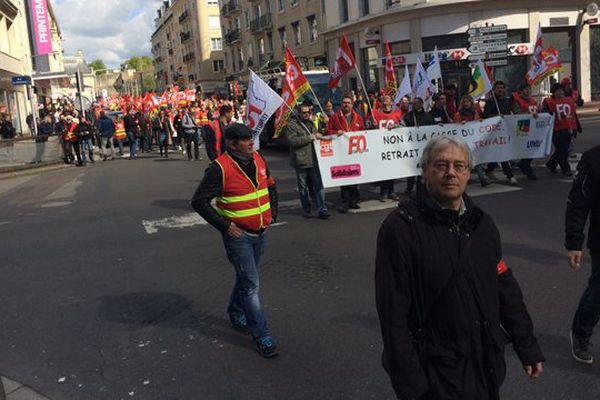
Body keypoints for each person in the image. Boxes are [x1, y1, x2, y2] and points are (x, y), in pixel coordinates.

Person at [375, 135, 545, 400]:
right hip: (436, 376)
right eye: (441, 165)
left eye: (459, 166)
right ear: (425, 171)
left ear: (468, 173)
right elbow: (393, 317)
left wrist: (527, 345)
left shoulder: (482, 225)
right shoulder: (400, 230)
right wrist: (412, 388)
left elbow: (505, 288)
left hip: (484, 366)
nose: (450, 173)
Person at [191, 123, 279, 358]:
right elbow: (198, 201)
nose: (251, 142)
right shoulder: (219, 168)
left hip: (260, 231)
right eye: (245, 139)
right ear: (232, 143)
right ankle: (261, 334)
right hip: (238, 236)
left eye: (251, 137)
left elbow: (270, 185)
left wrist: (274, 212)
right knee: (251, 285)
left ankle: (235, 310)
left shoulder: (258, 158)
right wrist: (225, 225)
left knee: (246, 279)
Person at [565, 144, 600, 364]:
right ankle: (580, 332)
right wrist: (574, 243)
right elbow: (578, 202)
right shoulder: (593, 159)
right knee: (598, 293)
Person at [285, 103, 330, 219]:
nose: (306, 114)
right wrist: (308, 138)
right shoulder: (292, 125)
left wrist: (323, 128)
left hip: (314, 159)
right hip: (301, 160)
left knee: (319, 185)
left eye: (308, 112)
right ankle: (306, 208)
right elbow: (292, 141)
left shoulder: (310, 124)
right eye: (303, 112)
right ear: (298, 113)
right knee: (303, 187)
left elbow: (317, 134)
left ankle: (322, 208)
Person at [326, 93, 366, 213]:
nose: (346, 105)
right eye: (344, 103)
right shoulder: (335, 117)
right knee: (344, 176)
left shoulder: (358, 117)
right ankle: (345, 201)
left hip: (354, 152)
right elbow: (327, 131)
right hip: (341, 152)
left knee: (354, 175)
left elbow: (363, 131)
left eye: (348, 103)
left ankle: (354, 200)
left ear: (352, 104)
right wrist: (335, 132)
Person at [483, 81, 518, 185]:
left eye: (502, 88)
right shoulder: (490, 102)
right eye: (498, 88)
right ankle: (509, 175)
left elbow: (512, 111)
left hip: (505, 130)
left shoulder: (507, 101)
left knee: (498, 152)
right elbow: (485, 116)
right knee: (503, 153)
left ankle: (489, 170)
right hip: (495, 131)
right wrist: (495, 116)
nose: (500, 90)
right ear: (494, 90)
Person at [542, 83, 578, 176]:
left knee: (561, 150)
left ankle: (551, 164)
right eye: (558, 91)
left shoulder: (569, 100)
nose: (561, 92)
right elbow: (544, 113)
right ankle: (566, 169)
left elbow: (573, 115)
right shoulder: (549, 102)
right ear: (553, 92)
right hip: (555, 130)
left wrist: (576, 127)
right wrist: (547, 112)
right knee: (563, 150)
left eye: (562, 90)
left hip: (568, 128)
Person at [372, 94, 402, 202]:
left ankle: (391, 191)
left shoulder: (397, 113)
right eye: (384, 98)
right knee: (383, 169)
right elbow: (368, 126)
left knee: (392, 169)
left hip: (392, 146)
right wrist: (372, 124)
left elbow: (404, 126)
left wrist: (396, 126)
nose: (385, 99)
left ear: (391, 102)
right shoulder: (375, 113)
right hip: (380, 145)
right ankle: (384, 192)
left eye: (388, 98)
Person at [402, 97, 435, 196]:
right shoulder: (408, 116)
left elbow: (433, 128)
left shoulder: (427, 116)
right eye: (413, 104)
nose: (414, 106)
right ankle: (409, 187)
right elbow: (403, 127)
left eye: (416, 104)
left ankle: (421, 189)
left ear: (421, 104)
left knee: (423, 168)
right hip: (412, 147)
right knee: (412, 169)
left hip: (424, 147)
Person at [511, 82, 539, 180]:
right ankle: (526, 167)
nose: (528, 92)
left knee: (533, 147)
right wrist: (529, 115)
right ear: (521, 91)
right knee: (528, 147)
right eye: (526, 89)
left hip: (533, 127)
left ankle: (524, 164)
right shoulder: (517, 101)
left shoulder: (533, 101)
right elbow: (517, 113)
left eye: (529, 89)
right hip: (523, 126)